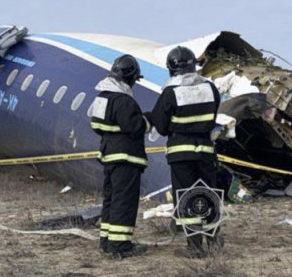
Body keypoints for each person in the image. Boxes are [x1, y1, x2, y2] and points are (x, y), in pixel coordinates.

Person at [148, 46, 222, 258]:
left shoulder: (171, 92)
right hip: (206, 151)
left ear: (171, 68)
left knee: (187, 197)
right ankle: (214, 239)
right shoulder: (210, 88)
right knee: (209, 194)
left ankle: (195, 247)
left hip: (181, 154)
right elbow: (213, 116)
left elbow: (160, 126)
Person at [90, 55, 150, 259]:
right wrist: (148, 119)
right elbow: (136, 127)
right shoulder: (123, 100)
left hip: (108, 156)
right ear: (131, 77)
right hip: (126, 158)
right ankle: (120, 246)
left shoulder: (102, 97)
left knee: (111, 199)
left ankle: (107, 242)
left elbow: (96, 126)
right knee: (124, 201)